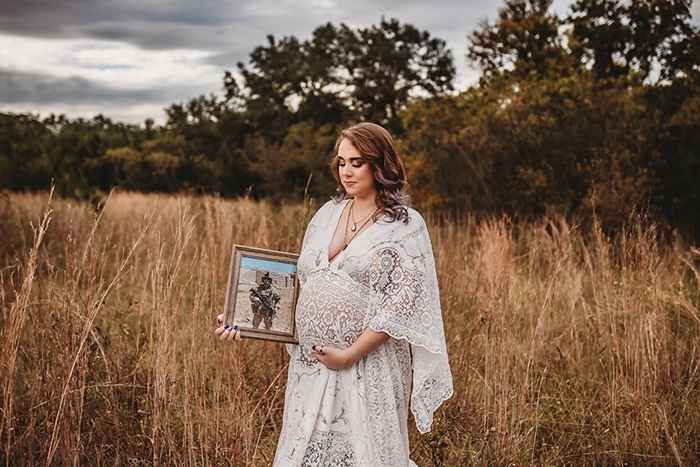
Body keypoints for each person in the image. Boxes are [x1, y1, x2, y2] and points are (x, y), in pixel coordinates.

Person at [215, 122, 453, 466]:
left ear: (380, 164)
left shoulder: (404, 225)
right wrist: (241, 317)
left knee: (364, 454)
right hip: (312, 365)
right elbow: (301, 285)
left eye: (357, 162)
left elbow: (401, 304)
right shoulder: (327, 214)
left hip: (368, 365)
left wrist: (350, 354)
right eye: (341, 162)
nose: (346, 171)